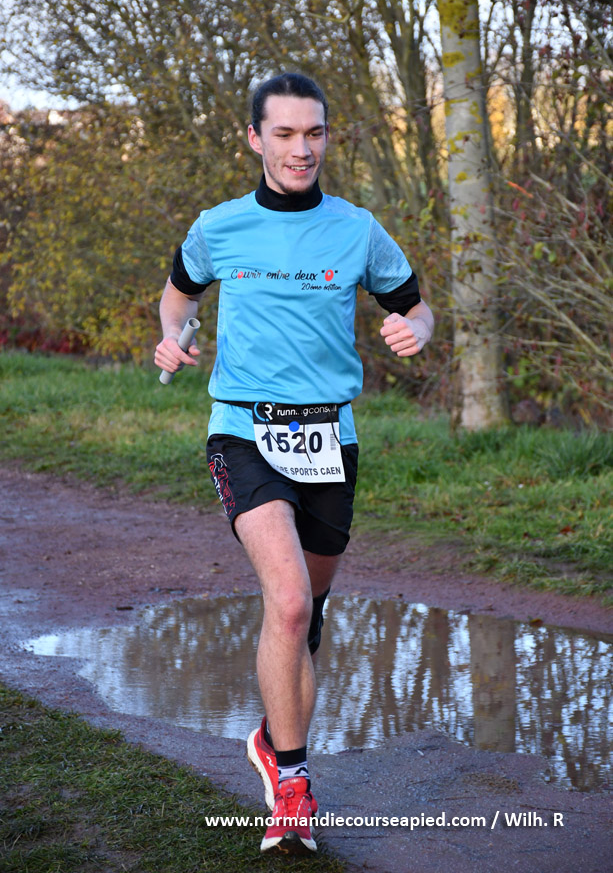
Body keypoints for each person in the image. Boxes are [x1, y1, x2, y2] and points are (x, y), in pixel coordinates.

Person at [154, 72, 434, 856]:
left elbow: (414, 304)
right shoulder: (219, 226)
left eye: (313, 133)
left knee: (306, 616)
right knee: (285, 604)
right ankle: (293, 783)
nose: (300, 148)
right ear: (255, 138)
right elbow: (178, 296)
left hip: (329, 440)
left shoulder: (357, 230)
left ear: (326, 137)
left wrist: (417, 330)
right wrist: (174, 337)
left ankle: (270, 737)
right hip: (243, 430)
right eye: (283, 134)